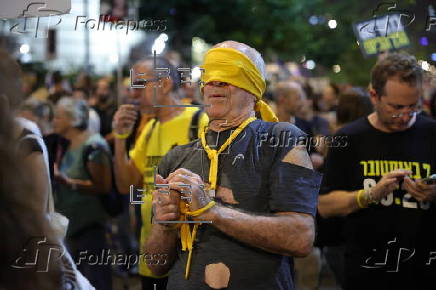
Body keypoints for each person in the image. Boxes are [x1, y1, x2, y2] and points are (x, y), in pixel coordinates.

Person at [143, 41, 322, 290]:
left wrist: (211, 212)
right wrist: (165, 225)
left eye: (228, 75)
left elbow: (301, 237)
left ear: (254, 86)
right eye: (210, 75)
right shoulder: (175, 159)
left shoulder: (281, 139)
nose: (215, 83)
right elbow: (155, 264)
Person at [318, 53, 436, 290]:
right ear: (374, 96)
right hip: (367, 272)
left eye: (413, 106)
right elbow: (325, 205)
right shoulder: (348, 139)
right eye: (396, 107)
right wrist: (369, 195)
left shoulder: (432, 133)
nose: (405, 115)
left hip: (425, 271)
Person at [112, 56, 208, 290]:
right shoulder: (150, 128)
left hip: (186, 262)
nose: (132, 95)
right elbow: (126, 185)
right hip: (151, 257)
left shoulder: (198, 122)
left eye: (139, 86)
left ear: (164, 84)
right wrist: (119, 138)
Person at [53, 97, 112, 290]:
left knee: (96, 279)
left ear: (73, 119)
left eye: (58, 117)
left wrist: (68, 182)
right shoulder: (65, 144)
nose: (54, 121)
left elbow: (103, 186)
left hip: (90, 226)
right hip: (71, 226)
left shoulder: (94, 145)